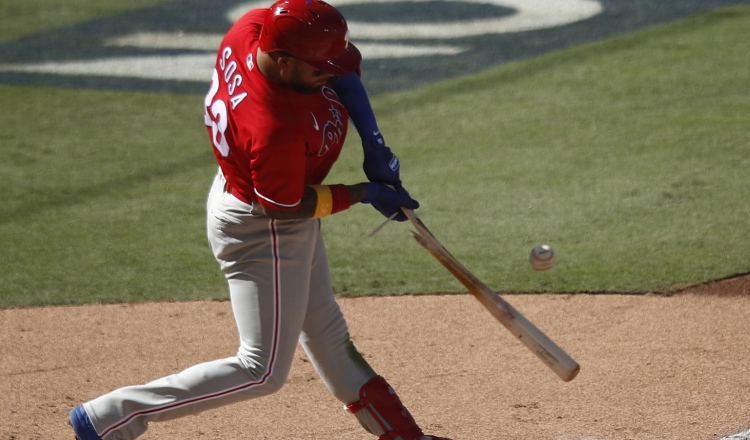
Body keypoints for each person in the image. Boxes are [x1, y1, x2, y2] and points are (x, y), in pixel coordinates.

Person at [68, 1, 451, 439]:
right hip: (264, 225)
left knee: (326, 331)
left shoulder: (254, 30)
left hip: (266, 198)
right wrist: (363, 193)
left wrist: (373, 141)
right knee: (261, 369)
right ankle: (109, 417)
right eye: (318, 71)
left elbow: (339, 69)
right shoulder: (273, 127)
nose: (329, 75)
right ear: (284, 62)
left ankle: (405, 436)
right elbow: (282, 205)